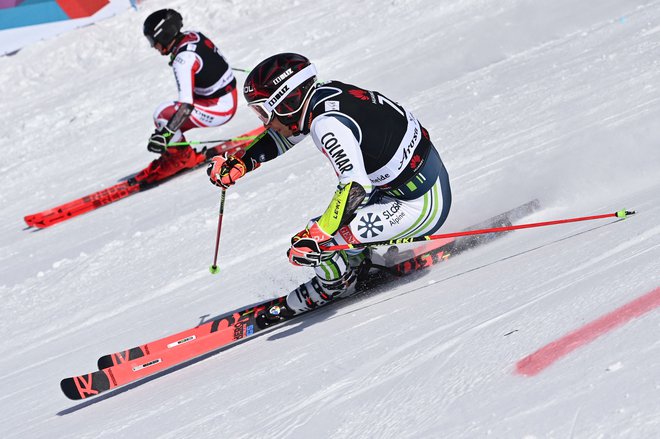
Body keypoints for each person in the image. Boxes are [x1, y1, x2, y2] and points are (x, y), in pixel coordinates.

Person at [208, 53, 452, 319]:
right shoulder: (323, 95)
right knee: (329, 229)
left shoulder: (327, 125)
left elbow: (356, 186)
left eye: (265, 111)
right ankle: (358, 264)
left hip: (420, 205)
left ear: (289, 102)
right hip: (410, 187)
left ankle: (335, 286)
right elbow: (288, 134)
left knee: (316, 243)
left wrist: (319, 234)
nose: (265, 122)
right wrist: (243, 162)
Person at [136, 9, 238, 183]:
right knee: (169, 116)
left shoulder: (183, 60)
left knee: (162, 114)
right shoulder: (192, 36)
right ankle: (178, 153)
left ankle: (181, 159)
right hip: (226, 96)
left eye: (153, 40)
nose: (153, 45)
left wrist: (165, 135)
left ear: (164, 35)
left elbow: (186, 106)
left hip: (220, 108)